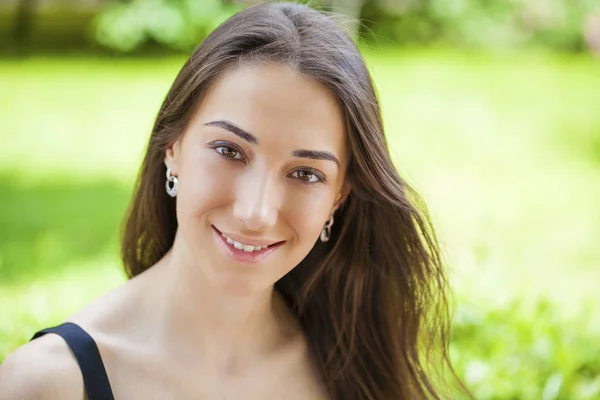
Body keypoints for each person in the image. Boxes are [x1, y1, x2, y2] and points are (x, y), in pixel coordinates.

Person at [0, 2, 467, 399]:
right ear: (173, 148)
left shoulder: (352, 365)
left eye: (306, 173)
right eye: (229, 151)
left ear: (339, 198)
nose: (256, 212)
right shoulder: (50, 384)